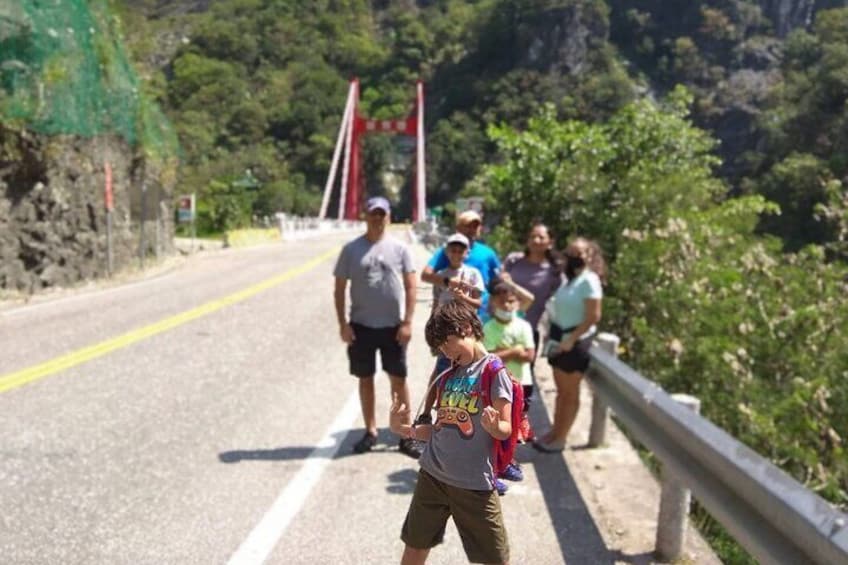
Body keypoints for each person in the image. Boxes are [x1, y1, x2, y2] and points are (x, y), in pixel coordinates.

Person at [390, 300, 513, 565]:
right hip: (432, 477)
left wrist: (495, 427)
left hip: (474, 485)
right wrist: (403, 429)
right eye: (440, 349)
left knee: (495, 559)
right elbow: (437, 431)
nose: (445, 352)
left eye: (446, 343)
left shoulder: (493, 371)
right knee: (415, 547)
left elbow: (505, 429)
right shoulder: (448, 376)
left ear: (466, 328)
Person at [333, 196, 422, 459]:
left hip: (393, 326)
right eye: (373, 213)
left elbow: (411, 286)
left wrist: (408, 321)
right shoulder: (351, 250)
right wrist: (342, 324)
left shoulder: (401, 249)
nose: (377, 218)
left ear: (389, 217)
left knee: (399, 380)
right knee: (365, 379)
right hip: (361, 326)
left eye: (382, 214)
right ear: (365, 215)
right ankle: (370, 431)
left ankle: (404, 434)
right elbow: (339, 289)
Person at [533, 237, 606, 453]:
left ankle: (561, 439)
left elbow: (594, 316)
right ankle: (554, 432)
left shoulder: (589, 280)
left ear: (590, 256)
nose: (575, 257)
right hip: (558, 340)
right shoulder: (568, 279)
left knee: (569, 394)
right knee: (560, 393)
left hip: (574, 343)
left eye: (580, 253)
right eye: (572, 252)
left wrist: (572, 339)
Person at [500, 223, 564, 434]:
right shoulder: (513, 260)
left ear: (550, 242)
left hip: (528, 331)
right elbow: (498, 284)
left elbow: (561, 298)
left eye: (541, 237)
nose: (536, 240)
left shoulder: (554, 271)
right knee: (496, 376)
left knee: (522, 379)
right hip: (500, 326)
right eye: (533, 236)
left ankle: (515, 422)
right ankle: (497, 423)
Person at [483, 281, 535, 483]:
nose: (507, 306)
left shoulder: (523, 326)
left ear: (517, 303)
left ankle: (506, 461)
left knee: (514, 427)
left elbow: (529, 355)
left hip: (522, 383)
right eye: (502, 301)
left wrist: (501, 352)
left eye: (511, 301)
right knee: (497, 425)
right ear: (494, 302)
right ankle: (494, 464)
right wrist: (514, 351)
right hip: (496, 385)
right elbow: (490, 358)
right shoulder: (488, 327)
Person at [420, 210, 501, 319]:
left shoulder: (488, 253)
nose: (472, 230)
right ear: (458, 227)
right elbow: (426, 275)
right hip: (450, 314)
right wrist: (448, 282)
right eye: (468, 226)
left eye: (475, 226)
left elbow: (497, 281)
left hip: (483, 313)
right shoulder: (445, 252)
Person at [431, 232, 485, 311]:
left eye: (460, 251)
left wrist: (463, 297)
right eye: (453, 250)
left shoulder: (473, 273)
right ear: (447, 252)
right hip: (443, 319)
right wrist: (432, 322)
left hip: (464, 320)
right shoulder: (440, 275)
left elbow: (478, 304)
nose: (456, 254)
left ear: (467, 253)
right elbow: (436, 302)